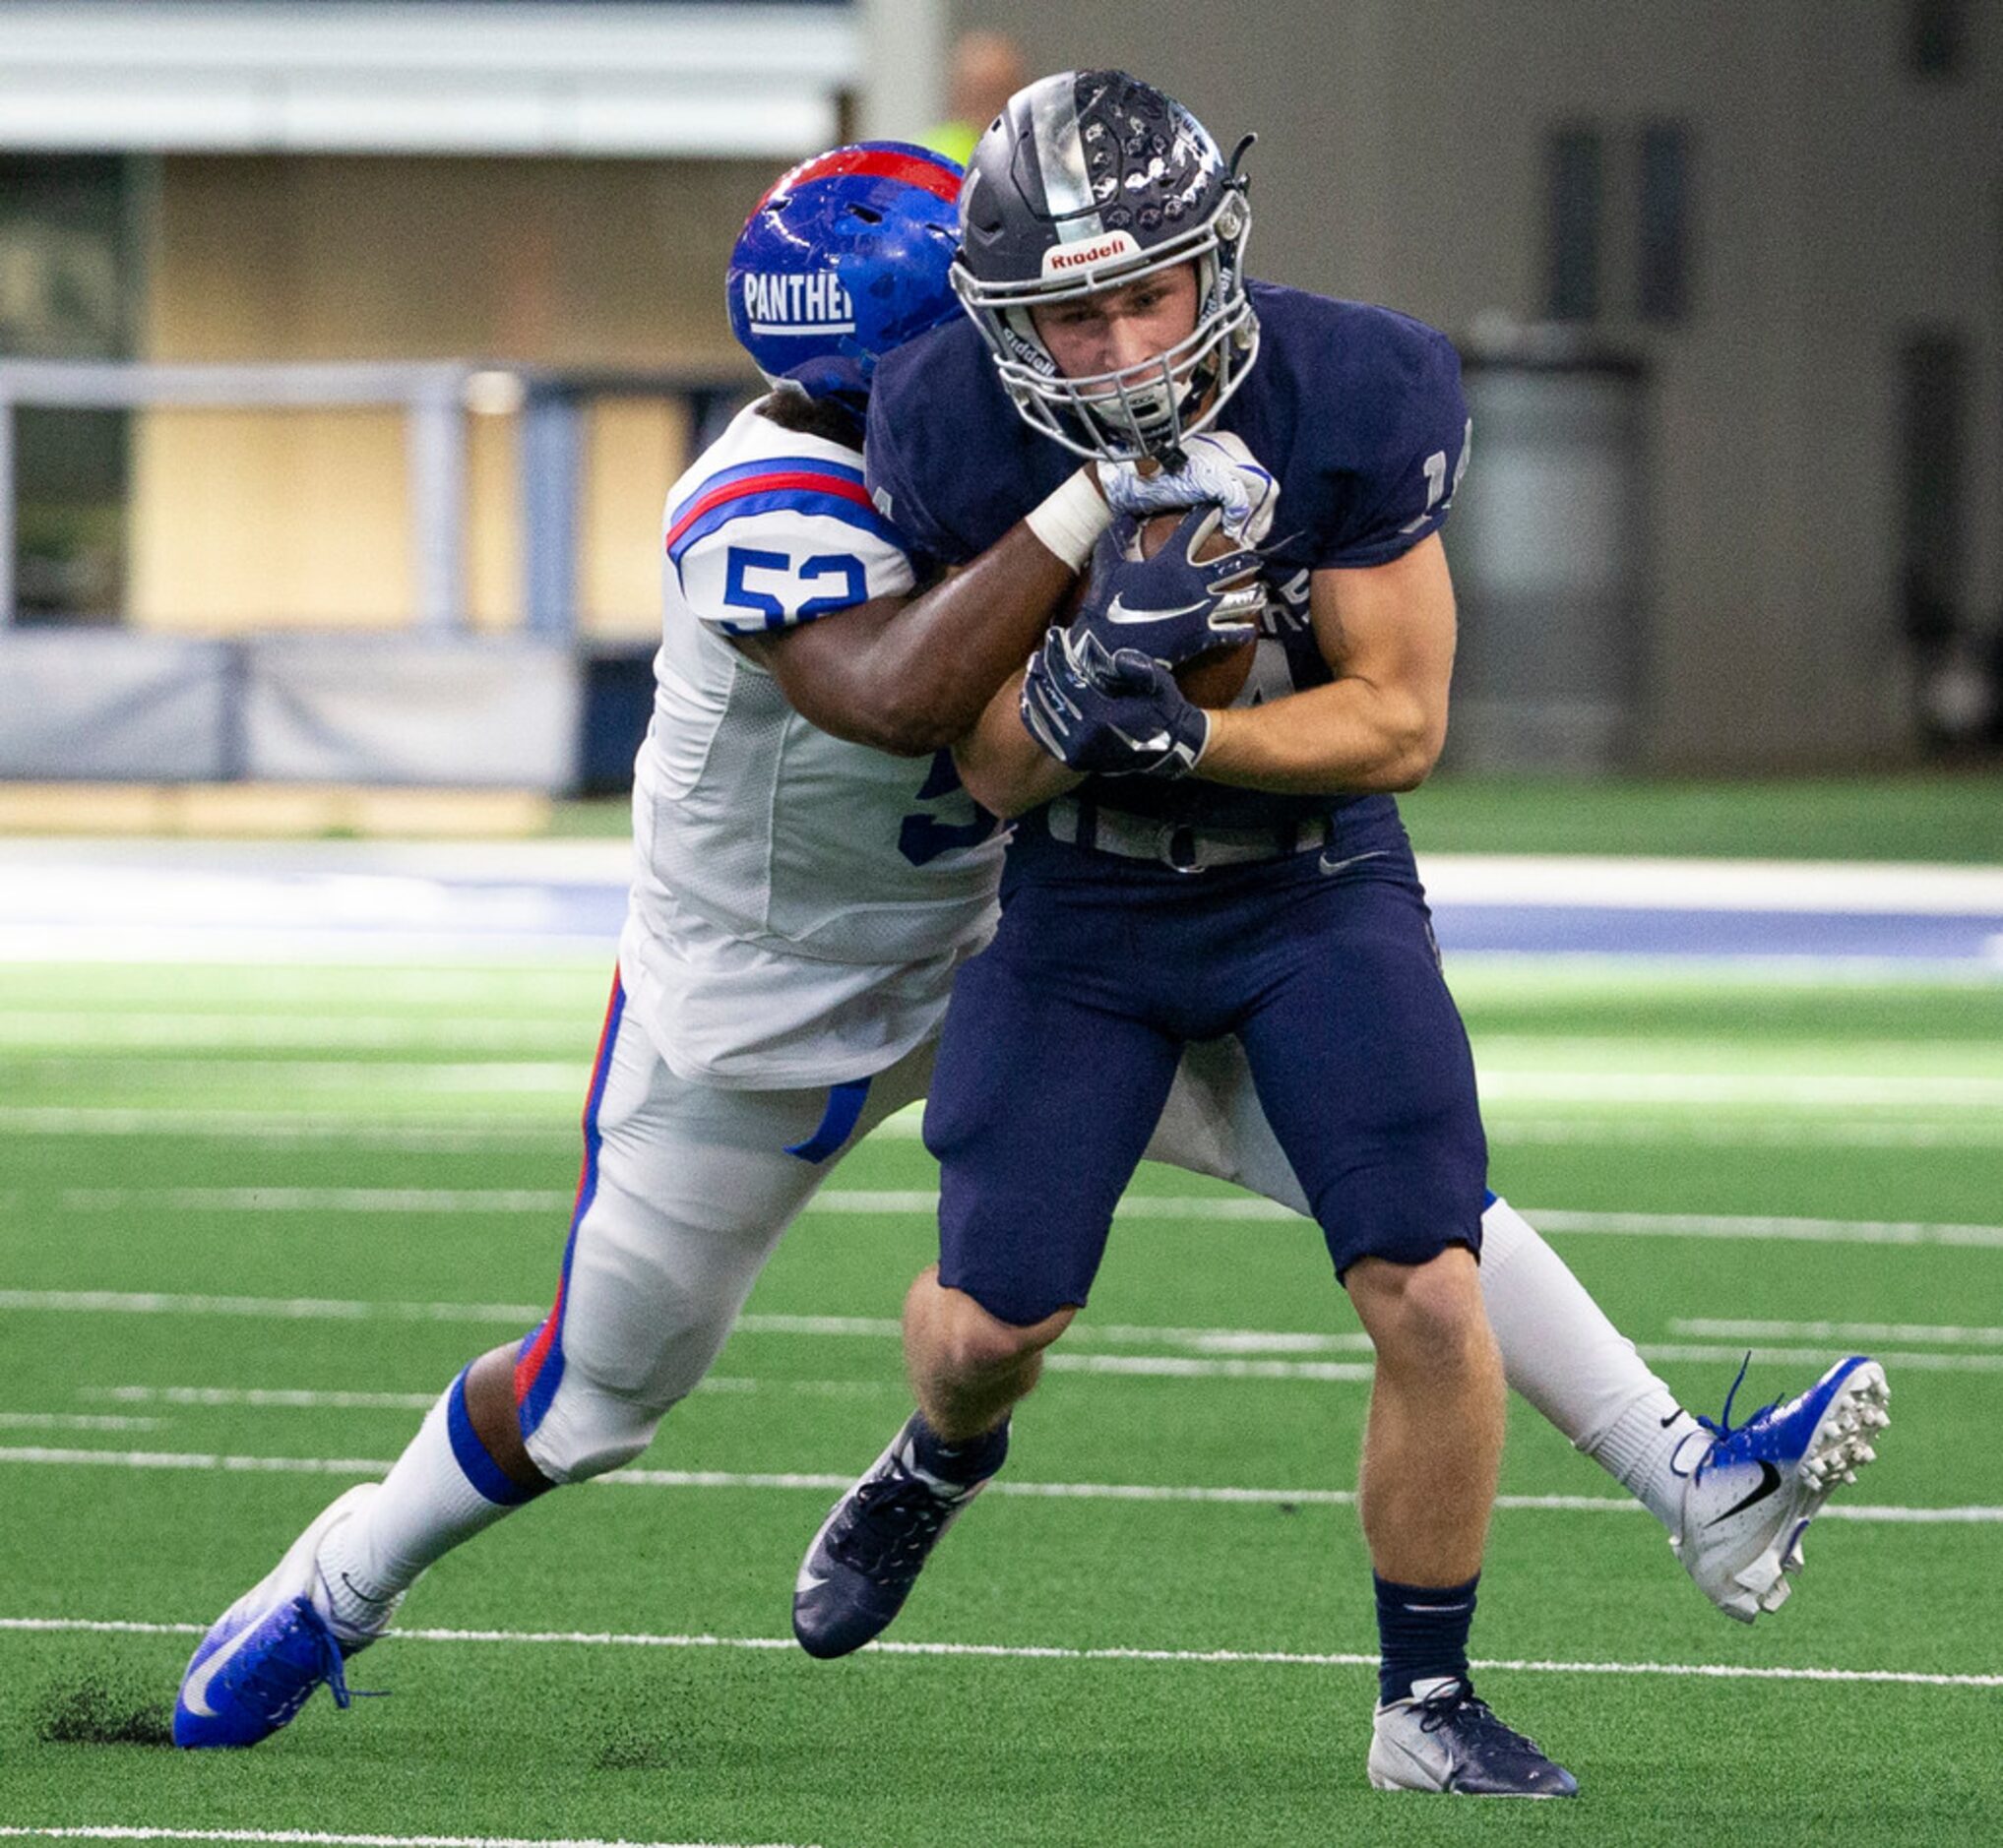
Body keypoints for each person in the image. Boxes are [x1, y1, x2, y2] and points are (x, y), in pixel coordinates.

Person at [172, 125, 1884, 1762]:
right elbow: (902, 691)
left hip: (1021, 936)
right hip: (762, 1005)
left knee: (1404, 1203)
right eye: (1028, 333)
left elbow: (1166, 681)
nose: (1081, 359)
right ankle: (339, 1577)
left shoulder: (1083, 422)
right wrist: (1083, 522)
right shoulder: (772, 492)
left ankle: (1690, 1473)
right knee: (590, 1397)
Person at [790, 72, 1890, 1798]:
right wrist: (1078, 698)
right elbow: (985, 762)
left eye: (1144, 291)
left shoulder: (1349, 382)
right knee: (992, 1321)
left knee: (1430, 1284)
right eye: (1068, 314)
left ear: (1215, 259)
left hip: (1306, 882)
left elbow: (1399, 719)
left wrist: (1195, 734)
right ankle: (938, 1453)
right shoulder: (946, 418)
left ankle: (1424, 1700)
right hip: (1076, 896)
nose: (1116, 343)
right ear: (1008, 322)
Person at [922, 29, 1029, 167]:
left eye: (1000, 93)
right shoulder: (927, 158)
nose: (990, 110)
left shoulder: (1032, 154)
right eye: (981, 96)